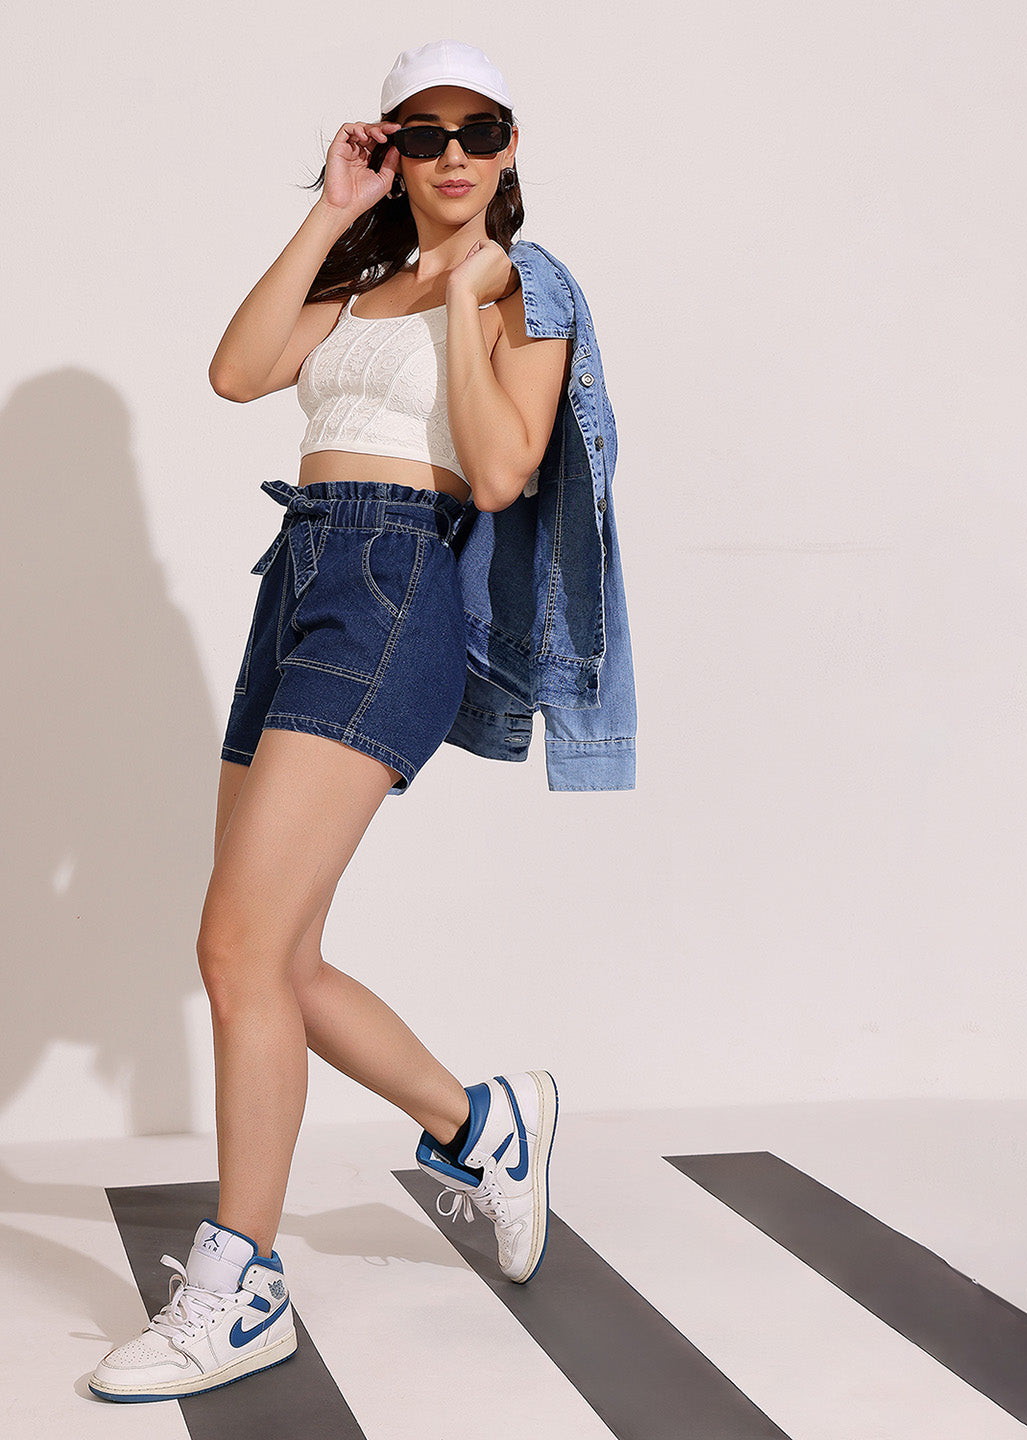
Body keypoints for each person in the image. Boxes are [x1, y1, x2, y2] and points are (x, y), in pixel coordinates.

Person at [89, 38, 633, 1403]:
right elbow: (237, 372)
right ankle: (482, 1124)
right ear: (390, 144)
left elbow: (503, 471)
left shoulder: (525, 282)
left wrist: (461, 294)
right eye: (422, 131)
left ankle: (243, 1279)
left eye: (480, 130)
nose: (453, 153)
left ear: (510, 151)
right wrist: (333, 210)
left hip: (397, 585)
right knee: (278, 956)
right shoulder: (357, 275)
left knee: (235, 943)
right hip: (305, 576)